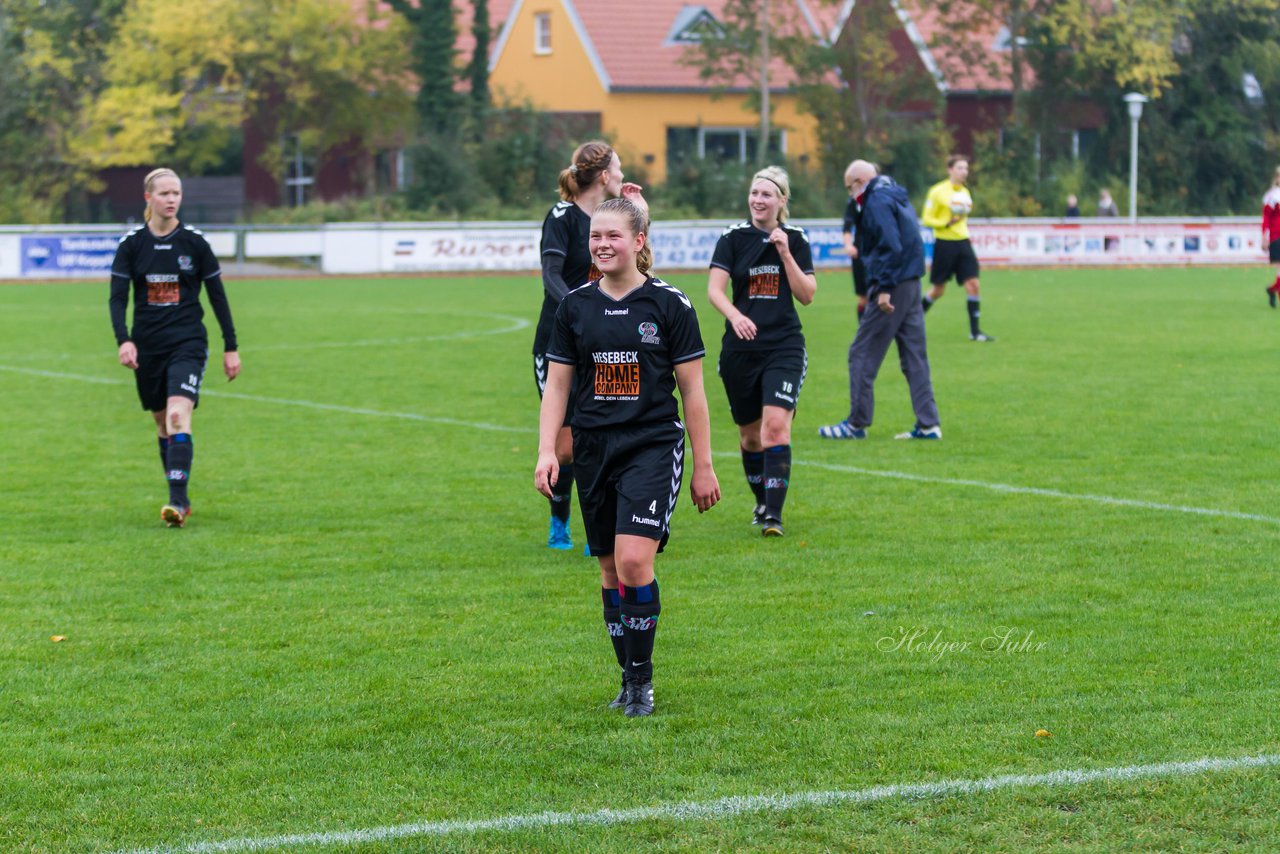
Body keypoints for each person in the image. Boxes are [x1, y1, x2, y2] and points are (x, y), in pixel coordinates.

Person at [535, 197, 720, 718]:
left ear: (638, 241)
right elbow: (557, 387)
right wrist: (548, 450)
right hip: (594, 449)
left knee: (636, 561)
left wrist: (703, 465)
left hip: (652, 445)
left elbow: (694, 394)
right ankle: (626, 678)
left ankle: (642, 683)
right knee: (611, 572)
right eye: (596, 237)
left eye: (613, 236)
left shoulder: (670, 305)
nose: (602, 244)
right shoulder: (574, 306)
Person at [109, 168, 240, 528]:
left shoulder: (195, 244)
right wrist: (125, 340)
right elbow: (118, 299)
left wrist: (231, 346)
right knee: (161, 424)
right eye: (164, 193)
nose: (171, 199)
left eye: (177, 193)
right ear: (148, 198)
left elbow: (218, 298)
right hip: (148, 346)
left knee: (178, 416)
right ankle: (179, 496)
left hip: (188, 342)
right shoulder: (132, 245)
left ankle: (177, 503)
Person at [534, 141, 647, 550]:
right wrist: (579, 313)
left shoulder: (616, 219)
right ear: (603, 176)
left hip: (604, 343)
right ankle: (559, 523)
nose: (621, 175)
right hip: (560, 342)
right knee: (564, 448)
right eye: (618, 169)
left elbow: (643, 265)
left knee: (598, 436)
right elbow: (549, 274)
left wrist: (640, 211)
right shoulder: (563, 216)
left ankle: (599, 528)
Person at [707, 166, 816, 538]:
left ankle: (774, 516)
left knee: (775, 427)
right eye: (754, 193)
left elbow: (807, 294)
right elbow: (715, 290)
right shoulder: (733, 238)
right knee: (750, 436)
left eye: (767, 194)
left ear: (782, 201)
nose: (758, 200)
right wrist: (735, 316)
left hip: (783, 347)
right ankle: (761, 501)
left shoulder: (796, 239)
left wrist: (785, 253)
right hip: (739, 351)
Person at [819, 160, 941, 441]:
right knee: (914, 357)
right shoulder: (896, 195)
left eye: (851, 188)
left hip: (893, 285)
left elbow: (890, 245)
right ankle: (928, 424)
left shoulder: (876, 201)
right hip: (911, 282)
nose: (851, 195)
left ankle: (856, 423)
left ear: (861, 181)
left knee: (860, 352)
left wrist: (884, 287)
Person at [920, 155, 994, 342]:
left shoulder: (965, 192)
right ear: (950, 170)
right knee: (938, 290)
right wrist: (945, 223)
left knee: (974, 285)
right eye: (960, 168)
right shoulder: (937, 191)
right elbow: (927, 218)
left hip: (963, 241)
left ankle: (975, 332)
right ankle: (912, 321)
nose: (964, 172)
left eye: (966, 168)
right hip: (944, 243)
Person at [842, 180, 870, 322]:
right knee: (863, 298)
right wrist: (848, 245)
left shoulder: (881, 199)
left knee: (882, 296)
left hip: (879, 254)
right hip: (860, 253)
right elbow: (847, 226)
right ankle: (863, 332)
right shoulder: (854, 202)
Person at [1262, 167, 1280, 309]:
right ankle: (1273, 290)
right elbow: (1266, 217)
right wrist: (1264, 237)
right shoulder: (1272, 196)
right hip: (1277, 236)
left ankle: (1272, 289)